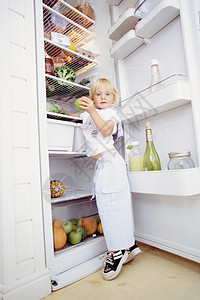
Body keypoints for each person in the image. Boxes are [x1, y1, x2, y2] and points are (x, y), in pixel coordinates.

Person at [64, 78, 141, 280]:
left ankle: (116, 252)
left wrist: (91, 111)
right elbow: (72, 115)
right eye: (98, 94)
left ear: (113, 98)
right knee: (116, 205)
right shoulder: (88, 114)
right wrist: (61, 111)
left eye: (107, 94)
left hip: (111, 162)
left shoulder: (111, 114)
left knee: (110, 208)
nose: (103, 97)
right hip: (103, 164)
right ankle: (129, 246)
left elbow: (106, 130)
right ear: (92, 98)